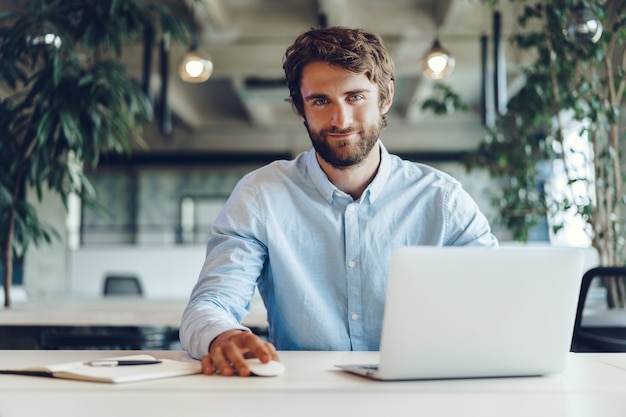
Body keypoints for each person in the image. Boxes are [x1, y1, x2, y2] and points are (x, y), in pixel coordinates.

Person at [180, 26, 498, 377]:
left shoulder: (443, 199)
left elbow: (496, 303)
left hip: (418, 392)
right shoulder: (261, 195)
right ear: (301, 107)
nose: (340, 120)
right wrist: (224, 335)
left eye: (355, 97)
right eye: (320, 101)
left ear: (386, 97)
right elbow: (209, 305)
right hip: (304, 396)